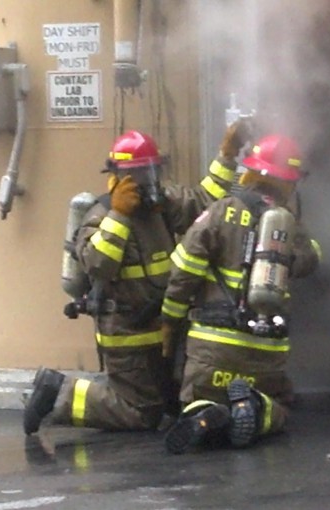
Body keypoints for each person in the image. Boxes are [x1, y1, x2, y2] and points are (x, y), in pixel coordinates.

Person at [23, 122, 252, 436]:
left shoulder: (160, 206)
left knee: (174, 404)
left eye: (153, 172)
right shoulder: (101, 215)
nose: (150, 183)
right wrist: (120, 215)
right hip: (126, 335)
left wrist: (227, 156)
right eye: (141, 175)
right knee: (140, 413)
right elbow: (97, 264)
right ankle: (57, 393)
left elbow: (203, 200)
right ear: (121, 176)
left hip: (162, 330)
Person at [160, 133, 321, 454]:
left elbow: (183, 274)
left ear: (252, 173)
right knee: (279, 406)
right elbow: (312, 258)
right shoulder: (289, 228)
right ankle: (253, 409)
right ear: (288, 182)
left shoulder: (220, 213)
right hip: (267, 353)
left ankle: (206, 413)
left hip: (214, 347)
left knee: (196, 397)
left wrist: (169, 323)